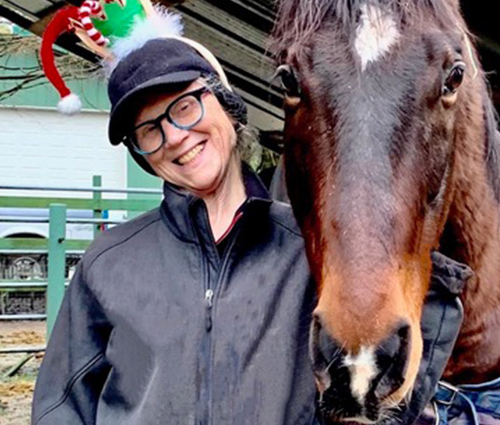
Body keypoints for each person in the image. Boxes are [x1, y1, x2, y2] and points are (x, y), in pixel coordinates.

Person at [31, 36, 318, 425]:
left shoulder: (310, 249)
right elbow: (61, 405)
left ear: (227, 105)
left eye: (185, 106)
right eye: (149, 130)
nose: (175, 137)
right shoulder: (109, 263)